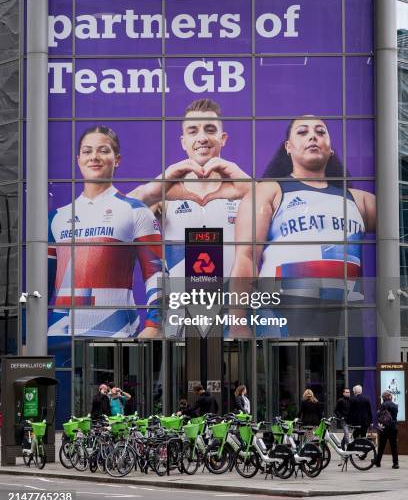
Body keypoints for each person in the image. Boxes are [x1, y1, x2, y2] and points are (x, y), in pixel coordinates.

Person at [230, 116, 376, 336]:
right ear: (288, 147)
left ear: (331, 147)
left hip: (345, 313)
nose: (312, 136)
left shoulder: (360, 200)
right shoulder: (269, 191)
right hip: (283, 308)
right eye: (302, 132)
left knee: (343, 371)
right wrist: (238, 323)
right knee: (284, 370)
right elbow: (246, 257)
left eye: (320, 132)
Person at [128, 99, 251, 338]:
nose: (202, 137)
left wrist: (247, 184)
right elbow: (114, 214)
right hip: (179, 322)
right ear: (183, 142)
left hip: (232, 319)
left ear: (223, 138)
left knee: (237, 376)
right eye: (193, 131)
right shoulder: (164, 196)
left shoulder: (244, 194)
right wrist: (158, 185)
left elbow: (280, 211)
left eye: (210, 129)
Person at [48, 126, 165, 338]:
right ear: (78, 159)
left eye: (103, 150)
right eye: (87, 151)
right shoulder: (56, 217)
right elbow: (41, 285)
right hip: (58, 335)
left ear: (117, 159)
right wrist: (28, 335)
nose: (94, 157)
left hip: (115, 334)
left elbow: (157, 274)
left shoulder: (135, 210)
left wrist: (154, 326)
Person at [375, 390, 399, 469]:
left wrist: (378, 412)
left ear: (384, 398)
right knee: (394, 446)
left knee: (381, 446)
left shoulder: (383, 405)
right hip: (393, 428)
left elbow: (380, 416)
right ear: (390, 396)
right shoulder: (395, 405)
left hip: (385, 428)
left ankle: (378, 462)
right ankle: (395, 463)